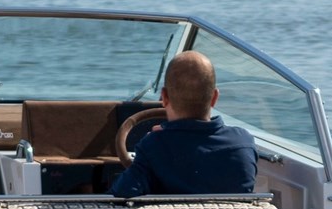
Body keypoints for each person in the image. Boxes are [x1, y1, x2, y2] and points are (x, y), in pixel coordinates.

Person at [109, 50, 258, 198]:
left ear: (164, 97)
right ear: (214, 97)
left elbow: (121, 194)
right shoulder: (244, 143)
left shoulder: (153, 146)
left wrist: (153, 144)